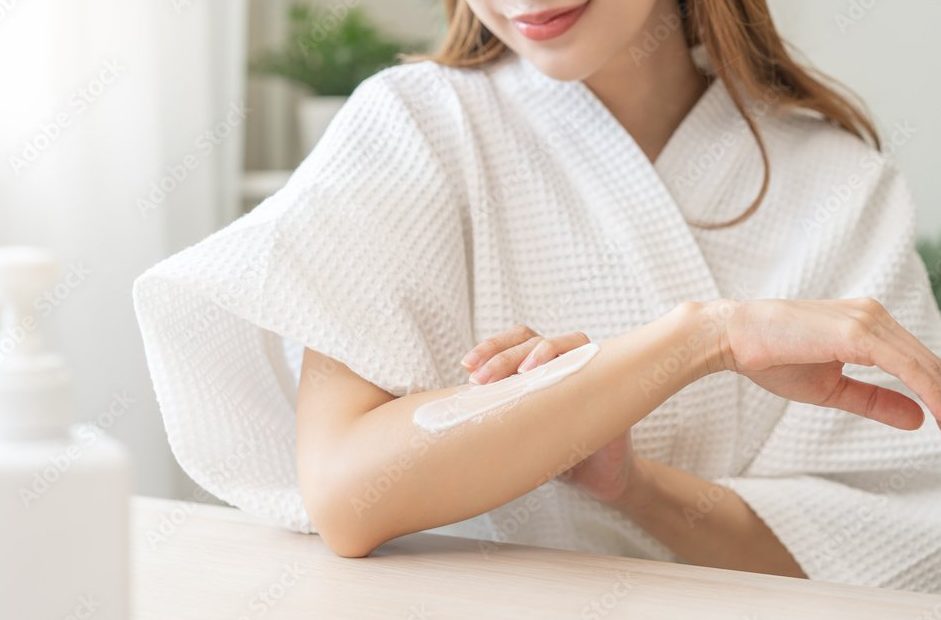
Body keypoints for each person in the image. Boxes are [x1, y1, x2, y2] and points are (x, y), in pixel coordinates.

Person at [133, 0, 941, 592]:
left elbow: (871, 547)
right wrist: (706, 338)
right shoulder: (412, 126)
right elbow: (347, 493)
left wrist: (628, 485)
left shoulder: (840, 185)